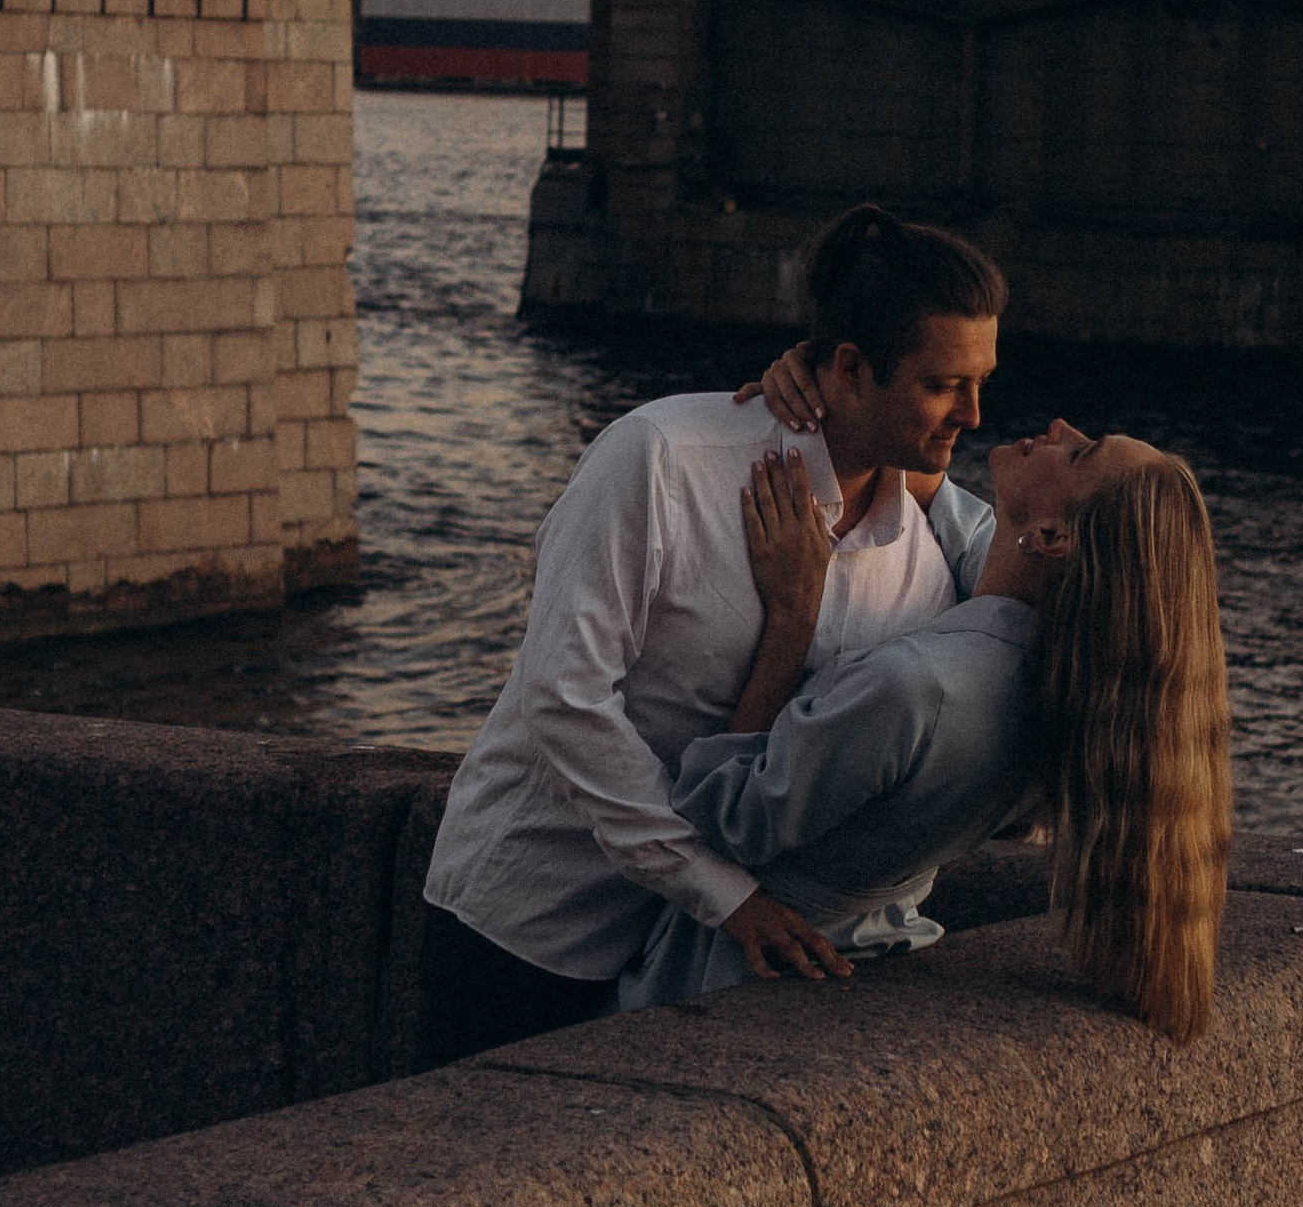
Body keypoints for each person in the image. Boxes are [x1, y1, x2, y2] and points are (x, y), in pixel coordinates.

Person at [416, 204, 1006, 1058]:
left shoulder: (925, 564)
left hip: (695, 965)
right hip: (535, 922)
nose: (975, 414)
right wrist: (720, 891)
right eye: (944, 384)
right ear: (847, 368)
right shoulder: (663, 457)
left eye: (982, 380)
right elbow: (562, 695)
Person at [615, 418, 1231, 1044]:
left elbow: (722, 811)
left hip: (734, 988)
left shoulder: (915, 688)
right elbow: (963, 522)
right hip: (872, 963)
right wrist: (835, 393)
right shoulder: (1074, 680)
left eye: (1079, 453)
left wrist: (793, 619)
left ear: (1051, 537)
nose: (1060, 428)